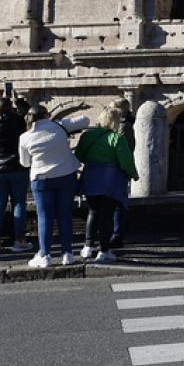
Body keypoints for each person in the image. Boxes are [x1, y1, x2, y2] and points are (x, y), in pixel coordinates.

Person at [18, 104, 80, 268]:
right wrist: (59, 122)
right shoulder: (59, 126)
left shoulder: (25, 137)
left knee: (44, 217)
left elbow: (24, 163)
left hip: (41, 178)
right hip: (66, 175)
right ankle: (67, 253)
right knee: (65, 214)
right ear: (47, 115)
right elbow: (85, 120)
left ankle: (45, 254)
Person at [76, 107, 137, 263]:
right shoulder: (117, 138)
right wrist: (133, 174)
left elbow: (79, 155)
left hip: (90, 176)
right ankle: (104, 250)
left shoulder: (87, 136)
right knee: (107, 215)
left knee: (93, 211)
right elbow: (125, 161)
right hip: (110, 180)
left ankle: (87, 246)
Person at [0, 95, 34, 255]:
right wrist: (21, 103)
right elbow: (28, 117)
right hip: (16, 167)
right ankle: (19, 240)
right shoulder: (17, 122)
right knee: (19, 204)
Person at [109, 96, 135, 250]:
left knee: (118, 202)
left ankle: (117, 234)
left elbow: (121, 149)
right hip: (117, 167)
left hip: (117, 167)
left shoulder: (123, 127)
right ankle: (116, 233)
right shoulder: (122, 125)